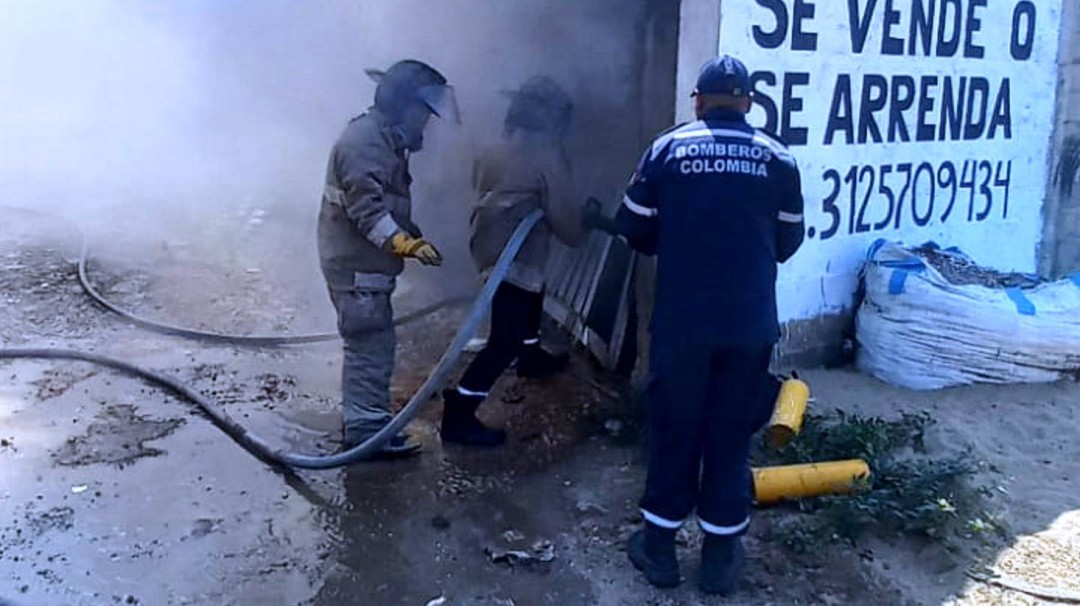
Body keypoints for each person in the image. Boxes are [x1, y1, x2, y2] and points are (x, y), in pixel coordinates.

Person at [589, 55, 805, 594]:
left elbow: (634, 229)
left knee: (675, 427)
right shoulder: (779, 157)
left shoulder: (669, 148)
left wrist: (678, 234)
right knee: (731, 432)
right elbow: (788, 242)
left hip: (684, 321)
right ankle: (719, 561)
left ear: (699, 101)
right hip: (749, 322)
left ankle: (659, 550)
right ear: (750, 103)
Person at [317, 60, 459, 459]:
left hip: (361, 262)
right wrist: (406, 245)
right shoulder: (365, 144)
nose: (425, 125)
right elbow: (369, 214)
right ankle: (365, 437)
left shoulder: (382, 138)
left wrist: (407, 230)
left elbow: (384, 198)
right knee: (369, 346)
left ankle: (369, 426)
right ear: (402, 106)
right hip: (355, 265)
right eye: (422, 114)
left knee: (375, 343)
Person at [440, 76, 586, 447]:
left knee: (531, 295)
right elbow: (568, 223)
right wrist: (584, 224)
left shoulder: (494, 147)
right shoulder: (545, 156)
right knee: (504, 338)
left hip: (489, 247)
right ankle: (459, 413)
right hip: (512, 257)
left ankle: (531, 354)